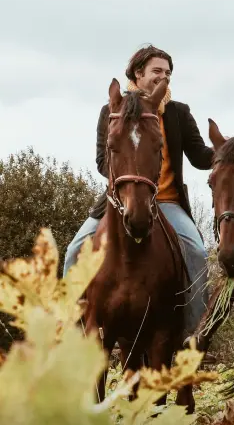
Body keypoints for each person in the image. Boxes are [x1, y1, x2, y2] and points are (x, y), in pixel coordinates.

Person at [63, 44, 214, 338]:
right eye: (157, 71)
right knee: (73, 251)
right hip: (120, 202)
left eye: (168, 73)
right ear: (138, 72)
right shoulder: (112, 109)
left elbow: (198, 156)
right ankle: (71, 329)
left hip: (167, 202)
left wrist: (227, 151)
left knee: (196, 252)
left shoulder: (178, 113)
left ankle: (193, 333)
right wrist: (131, 183)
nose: (164, 77)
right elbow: (101, 161)